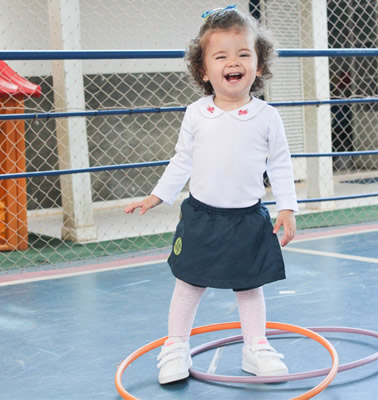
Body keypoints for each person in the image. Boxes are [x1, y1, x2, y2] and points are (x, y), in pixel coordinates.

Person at [124, 4, 298, 385]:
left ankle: (256, 346)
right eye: (221, 56)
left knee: (250, 286)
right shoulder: (196, 113)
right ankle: (175, 346)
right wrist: (156, 196)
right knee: (189, 283)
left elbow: (281, 164)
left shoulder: (267, 116)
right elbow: (181, 160)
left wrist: (287, 207)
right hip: (202, 216)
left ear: (259, 65)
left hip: (247, 217)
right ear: (204, 71)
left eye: (243, 54)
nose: (232, 62)